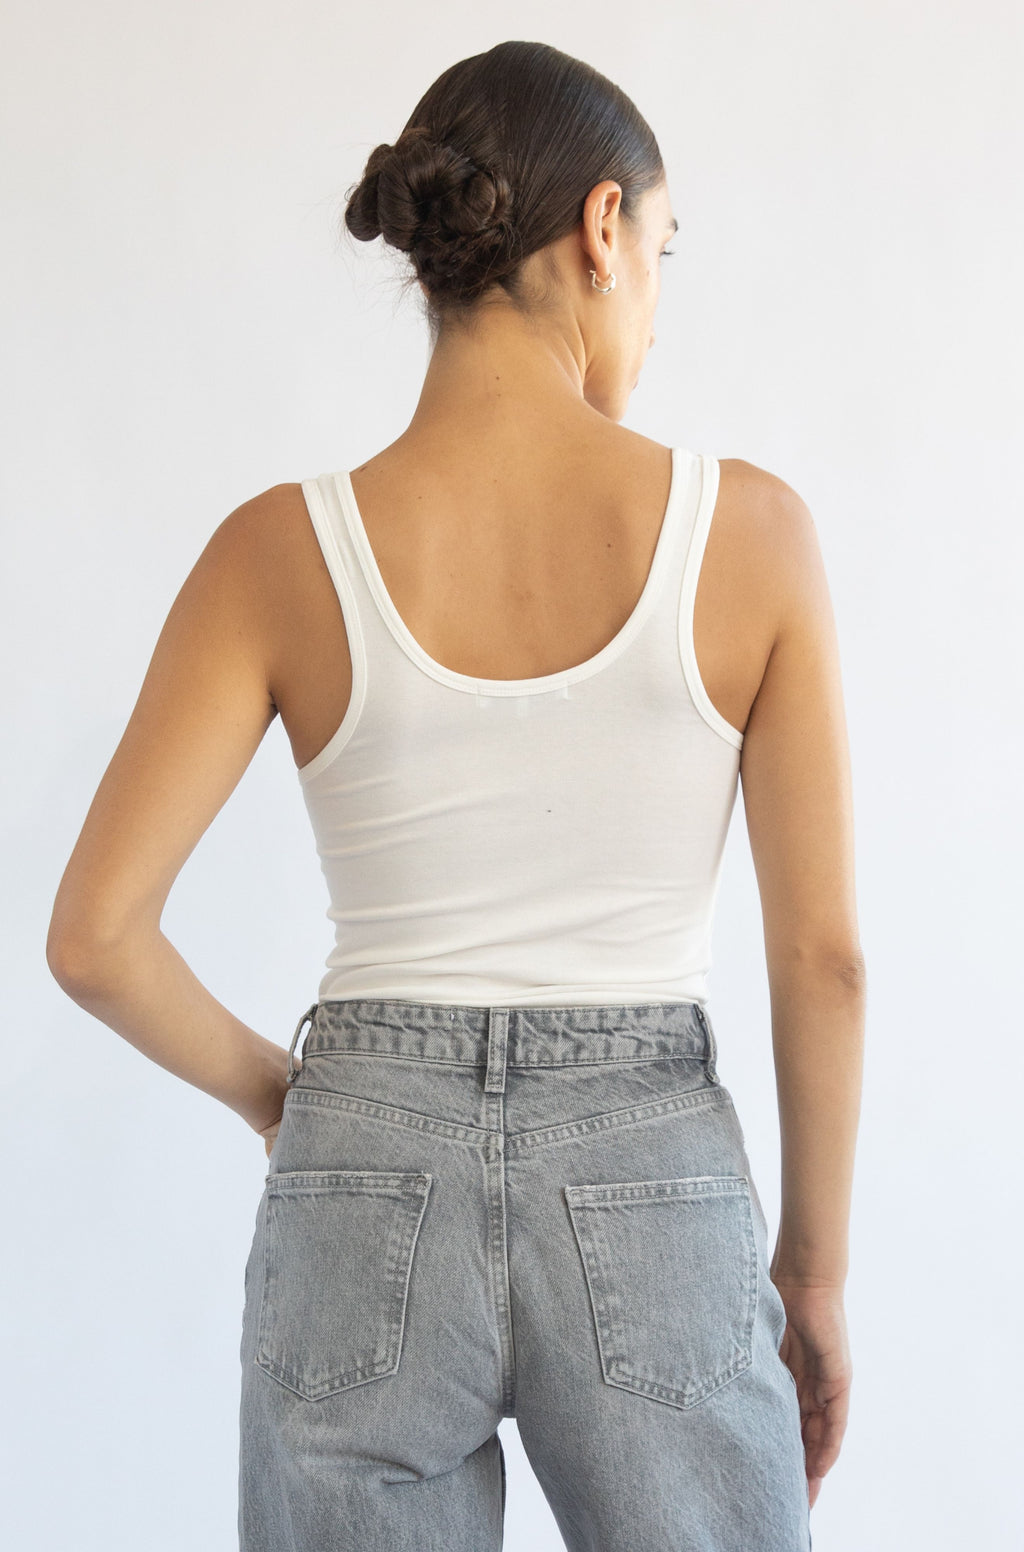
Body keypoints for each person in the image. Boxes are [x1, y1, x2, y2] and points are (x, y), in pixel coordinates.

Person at [46, 38, 864, 1552]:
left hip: (361, 1153)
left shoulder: (275, 553)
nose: (658, 309)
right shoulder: (748, 536)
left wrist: (290, 1102)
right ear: (602, 229)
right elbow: (825, 959)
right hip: (651, 1171)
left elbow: (96, 936)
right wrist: (808, 1280)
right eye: (665, 252)